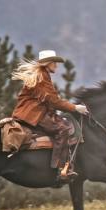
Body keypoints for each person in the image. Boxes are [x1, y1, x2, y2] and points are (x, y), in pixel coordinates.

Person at [10, 50, 89, 181]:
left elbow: (50, 100)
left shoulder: (42, 75)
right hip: (33, 114)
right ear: (48, 63)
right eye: (54, 63)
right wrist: (75, 107)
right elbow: (53, 101)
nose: (56, 66)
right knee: (63, 129)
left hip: (34, 112)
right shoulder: (41, 77)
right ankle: (59, 169)